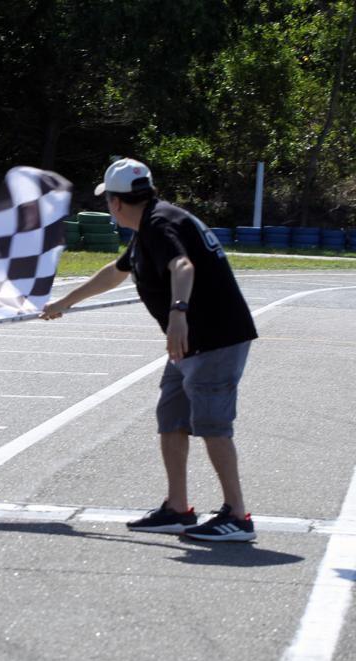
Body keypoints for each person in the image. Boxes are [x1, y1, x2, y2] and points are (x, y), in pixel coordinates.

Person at [41, 158, 259, 542]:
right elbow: (117, 270)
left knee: (212, 426)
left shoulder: (160, 226)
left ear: (116, 202)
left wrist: (178, 314)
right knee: (172, 417)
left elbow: (184, 267)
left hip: (213, 338)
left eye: (107, 200)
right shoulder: (152, 225)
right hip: (191, 344)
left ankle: (237, 515)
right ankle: (178, 509)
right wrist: (65, 302)